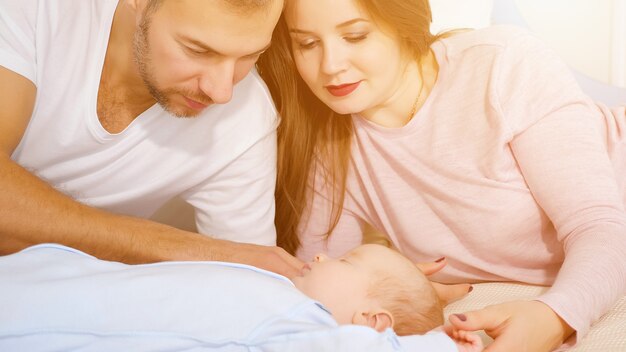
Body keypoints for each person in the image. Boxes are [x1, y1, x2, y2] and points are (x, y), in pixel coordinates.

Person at [255, 0, 626, 351]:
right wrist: (398, 281)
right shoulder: (330, 152)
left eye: (356, 35)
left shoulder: (501, 64)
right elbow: (312, 289)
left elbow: (600, 227)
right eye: (306, 44)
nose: (330, 65)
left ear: (404, 21)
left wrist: (555, 316)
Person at [0, 0, 304, 276]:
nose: (222, 92)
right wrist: (187, 249)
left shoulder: (246, 117)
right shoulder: (36, 10)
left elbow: (248, 279)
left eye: (250, 56)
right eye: (198, 50)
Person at [0, 243, 484, 352]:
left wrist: (440, 343)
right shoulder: (284, 295)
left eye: (345, 261)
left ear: (372, 321)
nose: (319, 256)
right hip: (57, 278)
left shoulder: (306, 329)